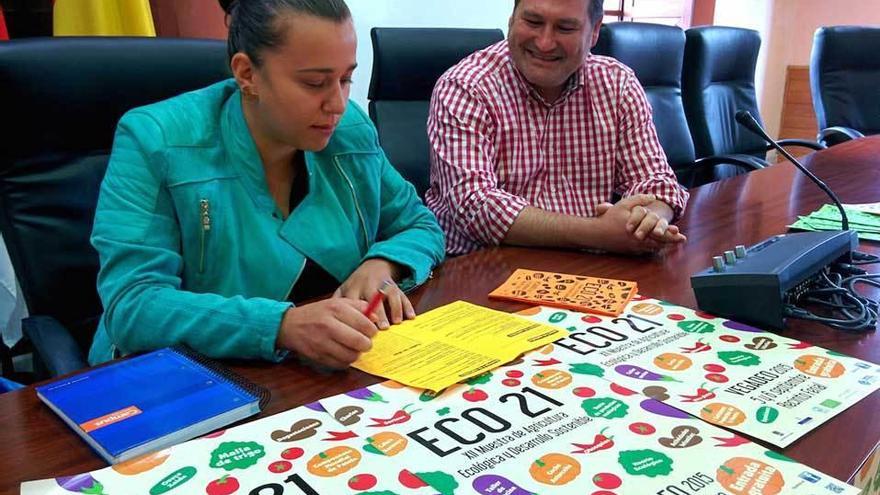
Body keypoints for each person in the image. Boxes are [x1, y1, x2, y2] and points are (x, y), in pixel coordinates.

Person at [88, 0, 445, 369]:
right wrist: (281, 326)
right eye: (314, 83)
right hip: (189, 380)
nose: (338, 103)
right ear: (246, 74)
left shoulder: (348, 131)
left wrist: (384, 263)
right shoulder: (154, 139)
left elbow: (420, 223)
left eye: (345, 78)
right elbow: (134, 305)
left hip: (321, 374)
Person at [425, 0, 690, 256]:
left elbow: (656, 181)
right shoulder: (465, 87)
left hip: (588, 268)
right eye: (533, 21)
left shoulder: (617, 84)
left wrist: (651, 219)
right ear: (511, 19)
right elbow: (474, 206)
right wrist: (599, 233)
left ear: (595, 31)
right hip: (479, 270)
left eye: (565, 28)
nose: (544, 43)